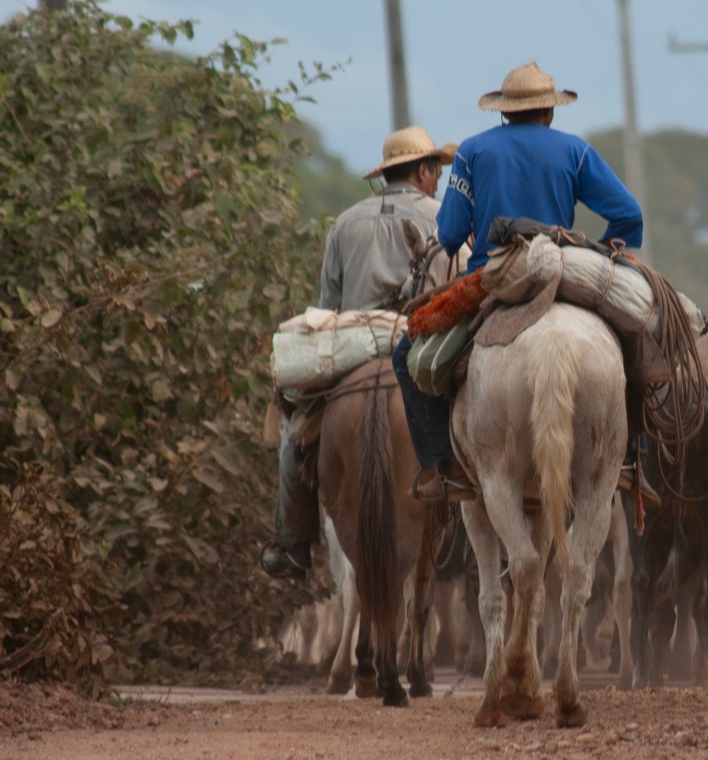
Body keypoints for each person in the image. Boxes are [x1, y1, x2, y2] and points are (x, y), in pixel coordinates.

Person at [394, 61, 643, 503]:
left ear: (504, 114)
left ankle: (443, 468)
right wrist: (600, 250)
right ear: (549, 113)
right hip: (562, 270)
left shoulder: (472, 152)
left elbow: (450, 236)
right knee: (633, 341)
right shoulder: (575, 151)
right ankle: (627, 459)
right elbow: (629, 215)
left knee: (403, 352)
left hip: (492, 281)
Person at [260, 126, 457, 580]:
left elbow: (328, 306)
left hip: (351, 342)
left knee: (294, 436)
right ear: (425, 171)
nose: (438, 180)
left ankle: (292, 544)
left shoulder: (346, 222)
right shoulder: (444, 217)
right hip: (418, 342)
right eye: (437, 172)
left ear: (386, 175)